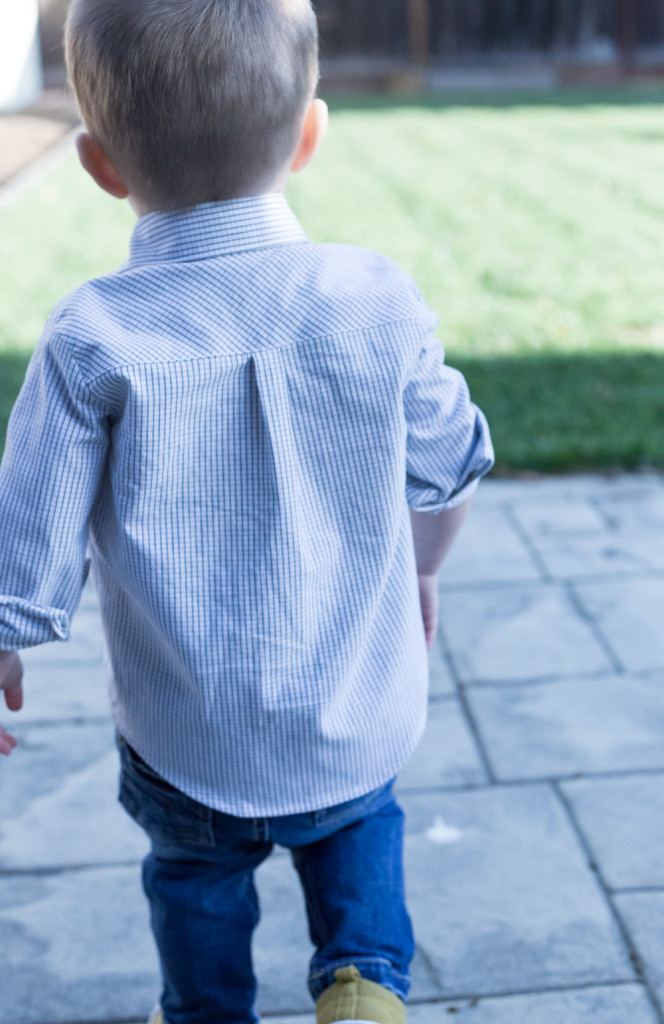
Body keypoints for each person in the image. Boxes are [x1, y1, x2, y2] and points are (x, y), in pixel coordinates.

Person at [0, 1, 494, 1022]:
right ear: (308, 133)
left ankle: (207, 1009)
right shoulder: (374, 296)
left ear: (100, 165)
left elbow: (28, 531)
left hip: (186, 728)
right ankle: (361, 980)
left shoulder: (90, 336)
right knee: (359, 833)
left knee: (194, 881)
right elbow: (450, 466)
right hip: (352, 706)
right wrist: (426, 566)